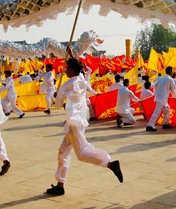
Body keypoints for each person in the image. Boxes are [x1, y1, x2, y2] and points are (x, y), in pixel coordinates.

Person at [45, 58, 123, 196]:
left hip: (74, 123)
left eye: (67, 68)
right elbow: (79, 73)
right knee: (63, 152)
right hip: (78, 120)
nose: (65, 70)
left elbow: (57, 104)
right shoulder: (82, 80)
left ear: (73, 69)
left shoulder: (68, 84)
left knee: (82, 153)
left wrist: (56, 96)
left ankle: (109, 163)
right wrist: (71, 55)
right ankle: (60, 184)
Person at [145, 66, 176, 132]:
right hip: (162, 98)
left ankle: (165, 124)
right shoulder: (170, 79)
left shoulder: (161, 78)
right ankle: (150, 125)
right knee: (157, 112)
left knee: (167, 109)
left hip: (160, 97)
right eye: (173, 71)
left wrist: (155, 94)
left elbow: (154, 86)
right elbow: (173, 89)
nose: (173, 72)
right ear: (170, 72)